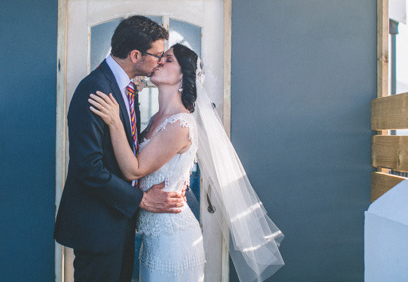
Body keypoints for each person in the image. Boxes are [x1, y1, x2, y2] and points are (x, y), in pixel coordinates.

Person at [89, 43, 285, 282]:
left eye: (168, 59)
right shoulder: (156, 119)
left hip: (174, 241)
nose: (159, 61)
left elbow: (134, 169)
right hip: (152, 239)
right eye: (160, 57)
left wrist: (114, 122)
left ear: (183, 75)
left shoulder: (181, 124)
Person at [54, 16, 186, 282]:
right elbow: (88, 168)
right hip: (97, 228)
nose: (161, 61)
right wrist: (141, 199)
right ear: (135, 55)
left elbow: (131, 152)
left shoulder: (127, 89)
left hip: (120, 223)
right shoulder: (95, 88)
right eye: (158, 55)